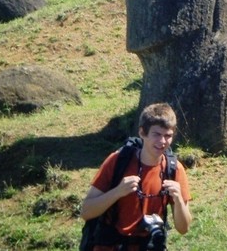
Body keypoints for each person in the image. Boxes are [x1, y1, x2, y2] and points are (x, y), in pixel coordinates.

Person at [81, 103, 192, 250]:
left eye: (168, 136)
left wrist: (178, 200)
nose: (163, 142)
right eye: (157, 134)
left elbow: (183, 229)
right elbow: (86, 211)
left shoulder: (174, 169)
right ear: (142, 133)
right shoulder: (118, 161)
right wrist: (117, 192)